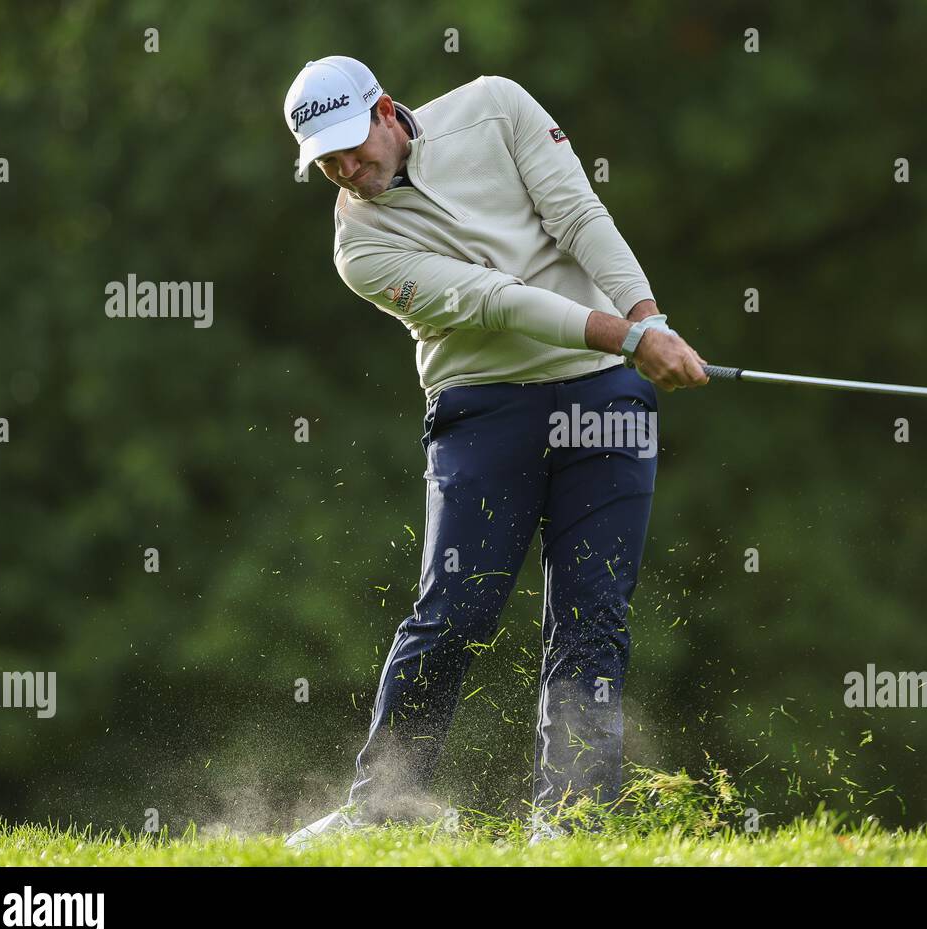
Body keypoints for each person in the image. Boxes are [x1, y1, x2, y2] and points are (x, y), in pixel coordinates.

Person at [282, 55, 708, 845]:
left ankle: (574, 820)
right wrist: (630, 335)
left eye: (352, 146)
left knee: (593, 615)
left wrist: (650, 319)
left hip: (602, 397)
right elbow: (496, 302)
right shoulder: (359, 248)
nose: (347, 170)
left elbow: (580, 217)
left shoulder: (495, 107)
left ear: (384, 110)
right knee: (454, 611)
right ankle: (382, 807)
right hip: (483, 409)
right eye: (327, 163)